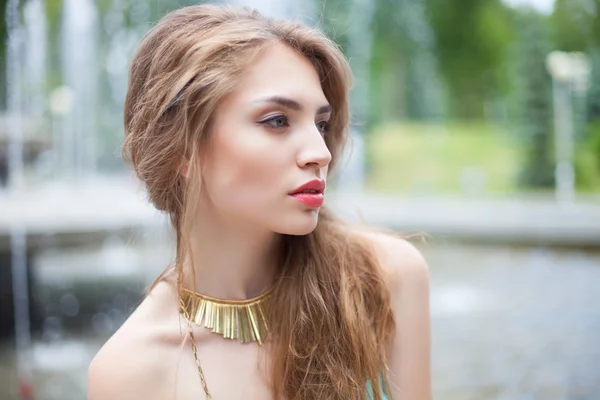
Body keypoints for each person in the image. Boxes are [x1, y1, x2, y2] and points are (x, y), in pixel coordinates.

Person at [87, 4, 430, 400]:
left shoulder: (383, 280)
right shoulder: (129, 372)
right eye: (277, 120)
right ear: (182, 147)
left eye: (321, 124)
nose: (320, 151)